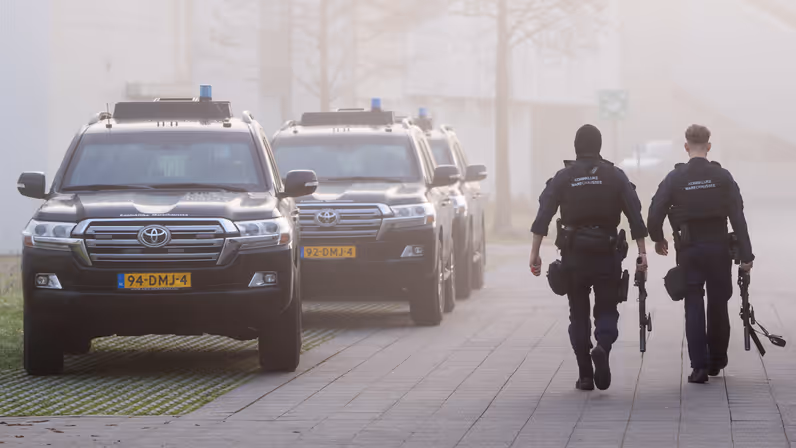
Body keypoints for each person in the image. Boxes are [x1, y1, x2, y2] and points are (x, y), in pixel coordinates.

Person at [530, 124, 648, 391]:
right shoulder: (616, 176)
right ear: (599, 147)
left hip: (574, 257)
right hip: (607, 255)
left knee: (578, 314)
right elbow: (635, 217)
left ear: (575, 147)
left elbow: (543, 217)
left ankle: (585, 375)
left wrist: (535, 253)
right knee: (607, 309)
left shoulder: (563, 177)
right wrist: (642, 254)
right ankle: (603, 347)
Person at [647, 124, 754, 384]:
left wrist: (658, 239)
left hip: (689, 250)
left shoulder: (675, 178)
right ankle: (717, 360)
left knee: (693, 303)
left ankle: (699, 367)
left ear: (686, 147)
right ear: (708, 146)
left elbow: (654, 214)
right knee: (718, 303)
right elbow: (738, 218)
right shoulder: (722, 176)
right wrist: (747, 255)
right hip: (718, 248)